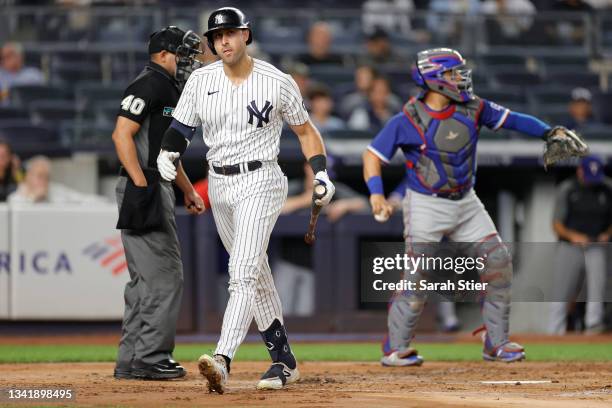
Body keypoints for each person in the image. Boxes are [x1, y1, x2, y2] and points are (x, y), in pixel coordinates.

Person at [362, 48, 584, 366]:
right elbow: (372, 156)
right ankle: (395, 347)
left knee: (498, 261)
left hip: (466, 201)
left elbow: (514, 120)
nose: (459, 78)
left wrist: (548, 131)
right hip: (425, 203)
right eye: (452, 73)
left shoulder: (474, 107)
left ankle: (495, 342)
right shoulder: (407, 119)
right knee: (418, 275)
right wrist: (375, 194)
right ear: (434, 79)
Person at [156, 7, 335, 393]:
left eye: (231, 33)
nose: (223, 41)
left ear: (246, 36)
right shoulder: (201, 80)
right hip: (219, 184)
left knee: (242, 271)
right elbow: (180, 129)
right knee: (257, 275)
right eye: (217, 36)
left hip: (262, 179)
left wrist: (320, 171)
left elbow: (306, 131)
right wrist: (167, 154)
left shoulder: (276, 79)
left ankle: (222, 360)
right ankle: (283, 362)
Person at [111, 26, 204, 381]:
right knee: (165, 277)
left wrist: (187, 190)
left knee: (144, 281)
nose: (189, 61)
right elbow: (121, 134)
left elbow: (166, 153)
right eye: (184, 54)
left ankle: (132, 358)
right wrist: (140, 182)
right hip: (144, 184)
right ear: (164, 54)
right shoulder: (149, 82)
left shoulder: (167, 87)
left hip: (152, 180)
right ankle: (151, 356)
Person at [548, 155, 612, 335]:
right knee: (561, 290)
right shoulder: (568, 189)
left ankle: (593, 326)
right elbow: (556, 224)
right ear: (579, 171)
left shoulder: (607, 188)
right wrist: (573, 235)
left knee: (597, 288)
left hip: (597, 245)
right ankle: (554, 331)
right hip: (571, 246)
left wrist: (607, 233)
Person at [8, 155, 104, 204]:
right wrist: (34, 199)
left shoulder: (56, 190)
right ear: (28, 176)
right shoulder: (16, 197)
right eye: (40, 176)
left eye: (47, 177)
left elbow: (84, 200)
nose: (44, 181)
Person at [0, 138, 22, 202]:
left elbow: (22, 188)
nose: (1, 158)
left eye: (4, 155)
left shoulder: (16, 171)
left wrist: (17, 169)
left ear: (10, 157)